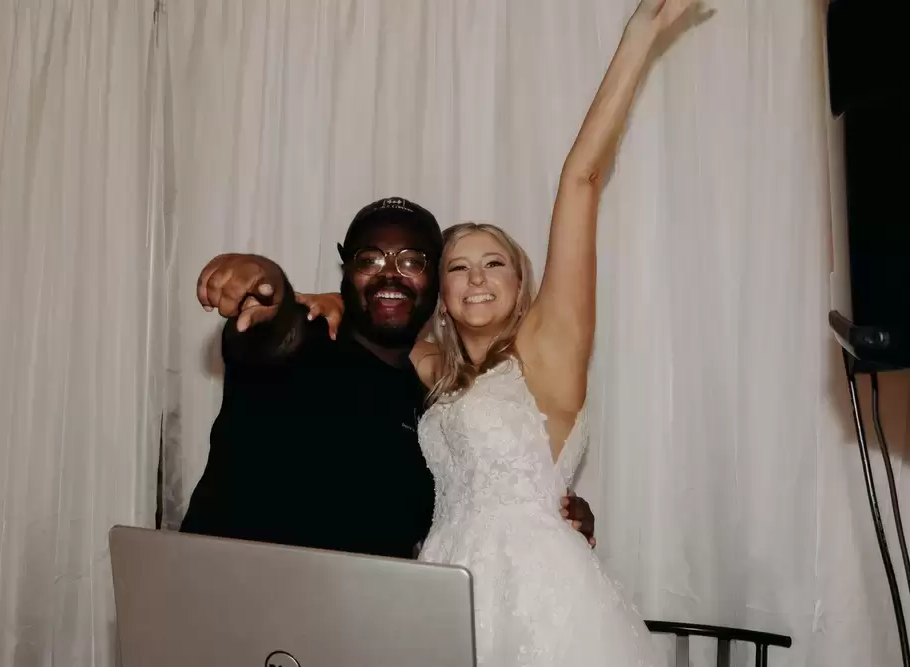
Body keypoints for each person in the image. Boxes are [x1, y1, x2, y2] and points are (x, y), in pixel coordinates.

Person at [303, 1, 707, 664]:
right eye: (458, 267)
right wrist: (330, 298)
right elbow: (372, 314)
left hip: (540, 600)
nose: (477, 278)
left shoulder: (548, 352)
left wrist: (639, 38)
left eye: (494, 263)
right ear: (441, 294)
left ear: (523, 284)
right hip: (441, 586)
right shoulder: (434, 370)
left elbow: (581, 179)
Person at [180, 196, 595, 559]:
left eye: (412, 261)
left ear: (437, 287)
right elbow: (274, 328)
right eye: (369, 260)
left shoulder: (439, 404)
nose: (390, 273)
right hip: (225, 598)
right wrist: (263, 277)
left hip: (365, 618)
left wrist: (548, 511)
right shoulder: (307, 336)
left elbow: (469, 499)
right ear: (347, 271)